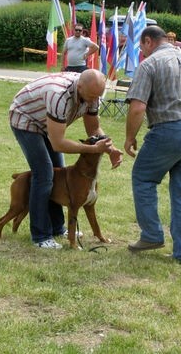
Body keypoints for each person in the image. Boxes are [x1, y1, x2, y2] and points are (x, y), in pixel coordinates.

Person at [9, 69, 123, 249]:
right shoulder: (58, 94)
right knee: (45, 175)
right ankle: (40, 236)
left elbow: (93, 129)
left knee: (58, 174)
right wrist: (92, 149)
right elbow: (58, 143)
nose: (95, 101)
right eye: (92, 96)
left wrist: (112, 149)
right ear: (79, 87)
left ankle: (57, 227)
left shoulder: (91, 94)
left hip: (47, 123)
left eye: (98, 97)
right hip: (26, 119)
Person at [124, 26, 181, 264]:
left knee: (143, 178)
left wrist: (130, 138)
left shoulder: (149, 65)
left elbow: (138, 107)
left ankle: (151, 234)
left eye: (141, 47)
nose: (142, 52)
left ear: (148, 41)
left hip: (171, 128)